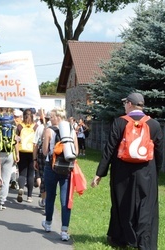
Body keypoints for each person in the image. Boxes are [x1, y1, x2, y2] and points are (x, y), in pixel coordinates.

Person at [91, 93, 163, 249]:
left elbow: (109, 150)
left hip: (121, 173)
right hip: (147, 172)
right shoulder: (155, 125)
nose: (124, 106)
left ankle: (120, 239)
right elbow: (160, 153)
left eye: (125, 103)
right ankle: (145, 243)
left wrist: (100, 173)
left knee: (122, 205)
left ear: (130, 104)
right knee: (146, 207)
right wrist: (155, 172)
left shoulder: (119, 123)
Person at [41, 108, 78, 241]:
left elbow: (45, 152)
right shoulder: (72, 130)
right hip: (67, 168)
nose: (50, 119)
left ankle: (48, 224)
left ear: (57, 117)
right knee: (65, 200)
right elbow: (76, 151)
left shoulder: (49, 130)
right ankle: (64, 231)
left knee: (50, 196)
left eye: (51, 117)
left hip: (51, 167)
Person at [0, 107, 19, 210]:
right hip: (9, 153)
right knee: (6, 178)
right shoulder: (12, 121)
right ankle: (2, 201)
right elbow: (15, 140)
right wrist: (17, 154)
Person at [16, 109, 37, 203]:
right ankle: (29, 196)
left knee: (22, 173)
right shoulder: (36, 126)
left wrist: (16, 153)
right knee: (30, 174)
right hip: (32, 152)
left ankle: (21, 188)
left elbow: (16, 139)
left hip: (22, 151)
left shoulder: (20, 126)